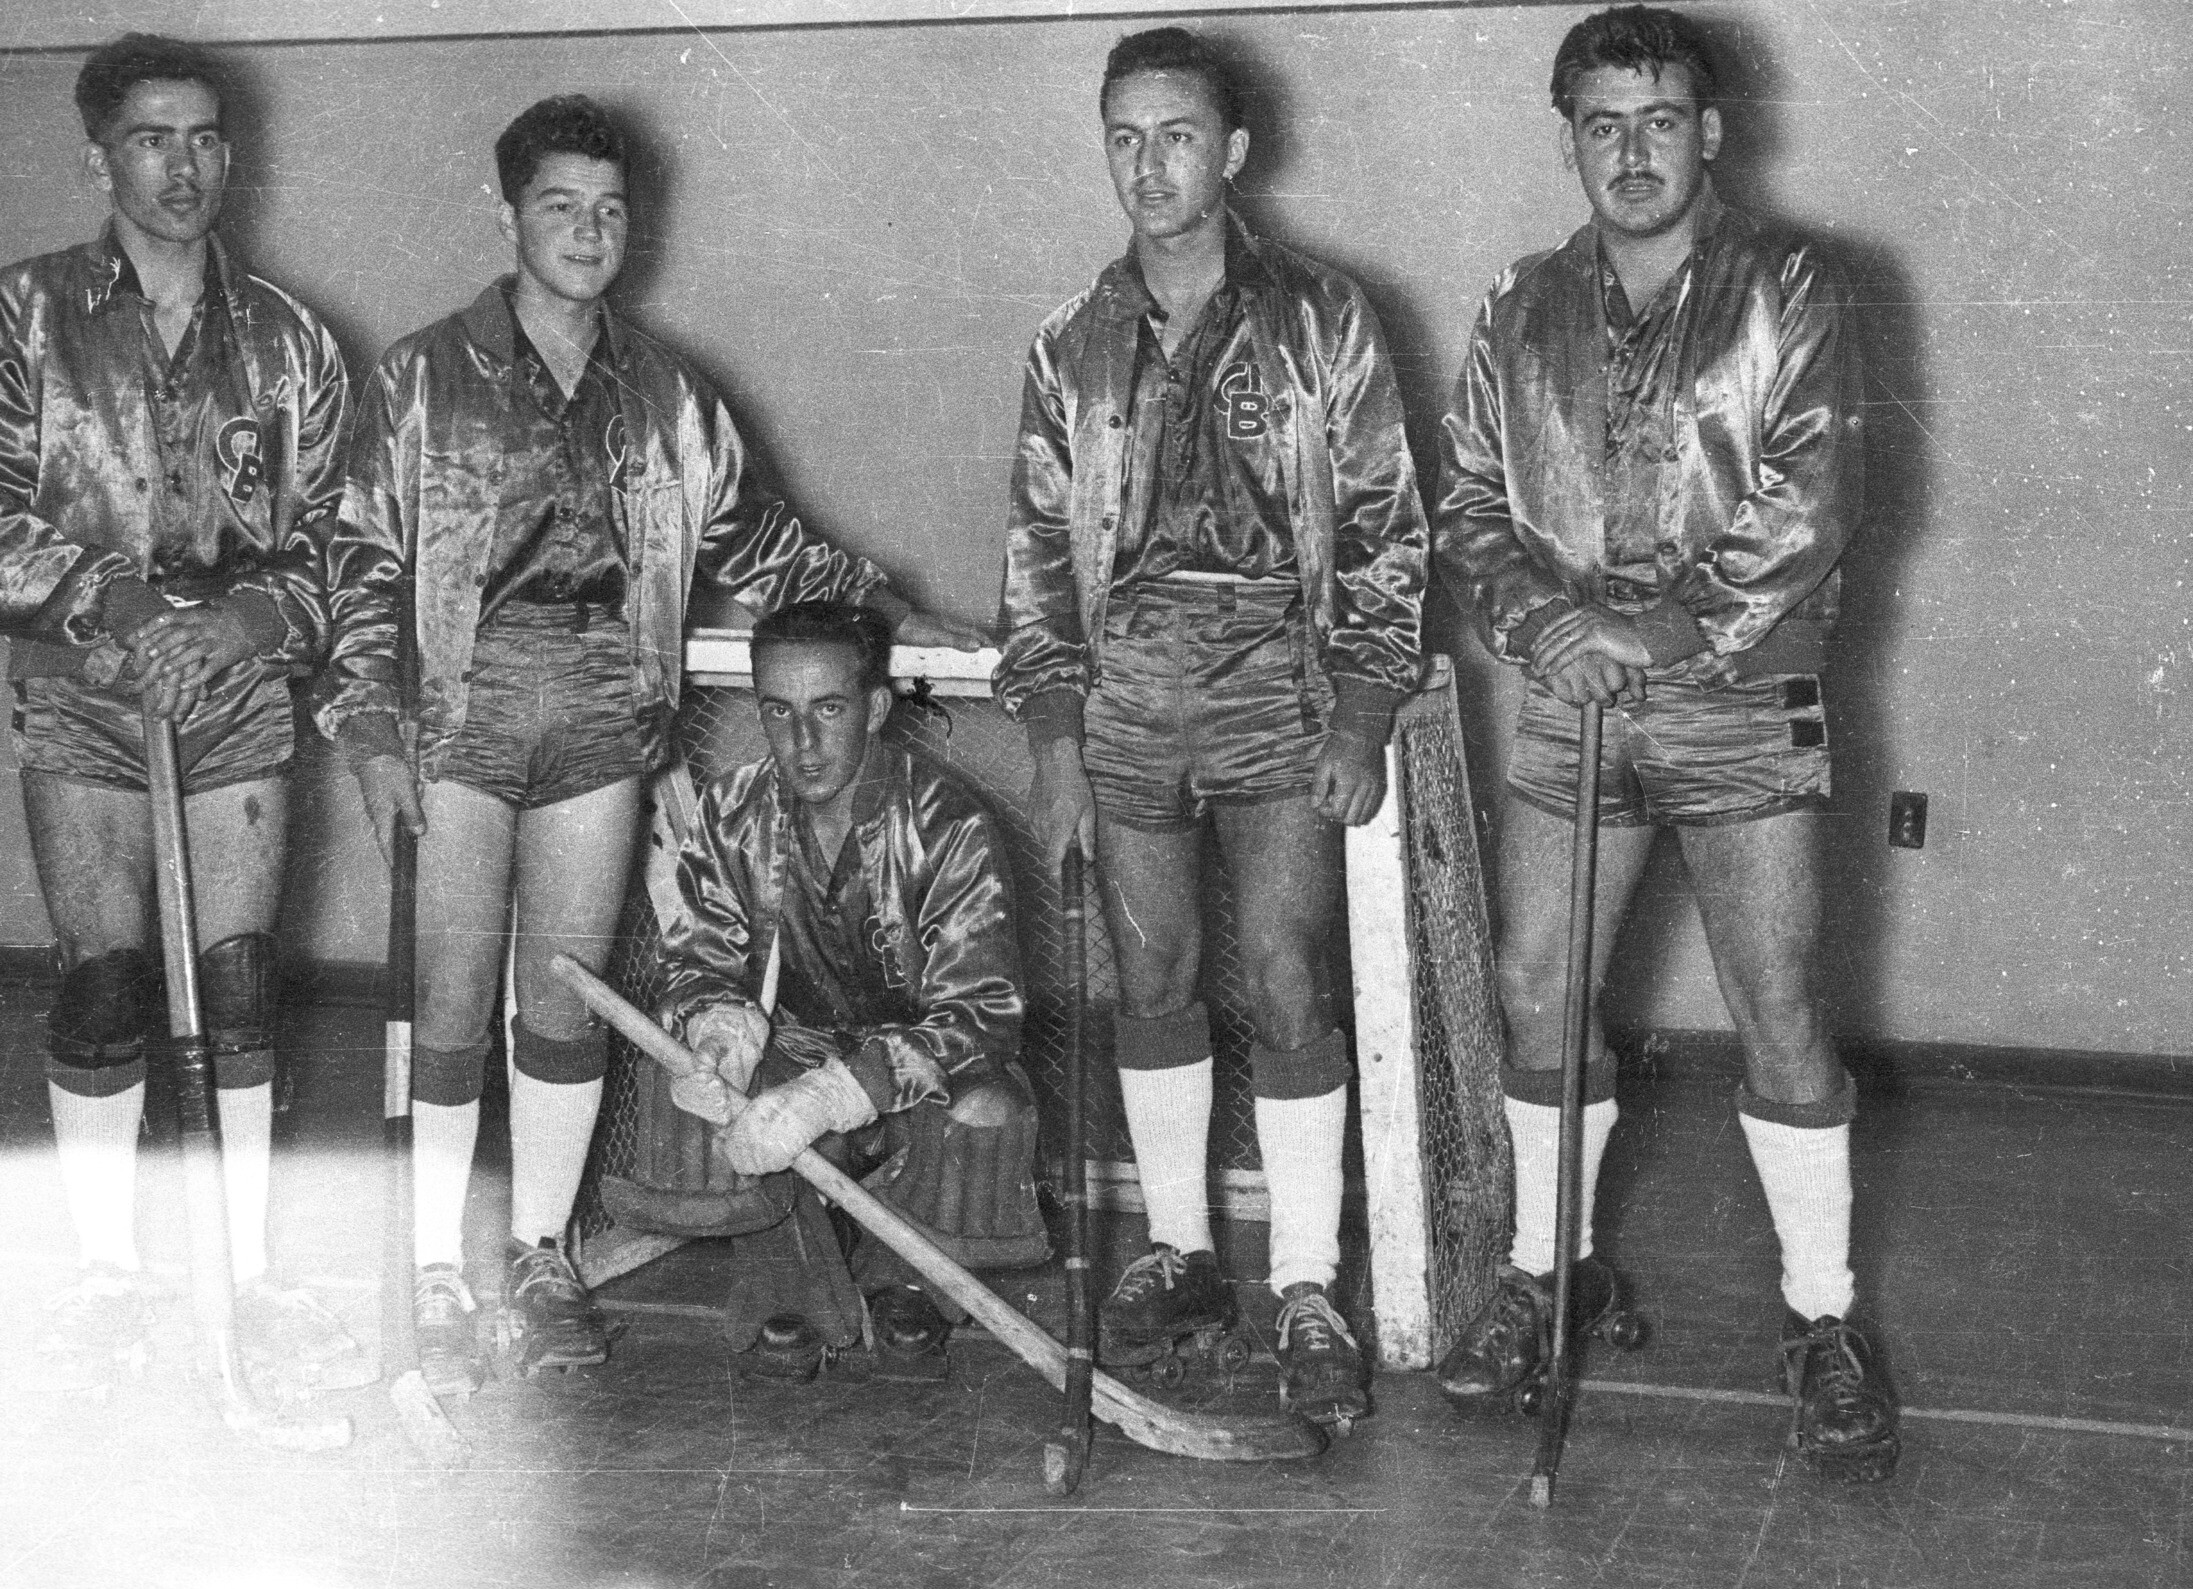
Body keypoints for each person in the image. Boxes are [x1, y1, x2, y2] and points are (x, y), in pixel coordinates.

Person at [316, 96, 978, 1392]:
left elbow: (765, 541)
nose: (588, 232)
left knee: (561, 1002)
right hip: (453, 725)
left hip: (600, 727)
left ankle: (533, 1254)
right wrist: (371, 724)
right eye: (560, 207)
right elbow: (354, 564)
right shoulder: (420, 379)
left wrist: (892, 609)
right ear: (506, 216)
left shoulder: (667, 394)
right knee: (450, 1009)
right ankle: (437, 1270)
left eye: (610, 211)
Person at [1431, 5, 1898, 1482]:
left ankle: (1823, 1320)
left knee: (1776, 1006)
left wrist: (1669, 630)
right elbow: (1467, 504)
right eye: (1602, 125)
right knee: (1533, 984)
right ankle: (1547, 1273)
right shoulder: (1517, 302)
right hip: (1573, 690)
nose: (1631, 152)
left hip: (1739, 689)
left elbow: (1816, 497)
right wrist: (1550, 629)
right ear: (1569, 136)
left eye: (1659, 121)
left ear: (1710, 131)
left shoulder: (1797, 283)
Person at [996, 26, 1427, 1430]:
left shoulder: (1324, 315)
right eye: (1123, 136)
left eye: (1176, 135)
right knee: (1153, 971)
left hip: (1272, 669)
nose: (1148, 165)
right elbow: (1037, 553)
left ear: (1233, 151)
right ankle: (1180, 1251)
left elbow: (1382, 527)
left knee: (1289, 970)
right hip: (1126, 680)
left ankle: (1304, 1284)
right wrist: (1057, 736)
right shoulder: (1071, 340)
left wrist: (1363, 704)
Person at [3, 34, 362, 1395]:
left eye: (207, 137)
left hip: (234, 700)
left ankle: (242, 1264)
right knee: (100, 982)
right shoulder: (23, 318)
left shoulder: (290, 340)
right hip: (84, 699)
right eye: (154, 137)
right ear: (99, 152)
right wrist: (121, 608)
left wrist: (240, 625)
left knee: (239, 979)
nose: (185, 166)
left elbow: (342, 543)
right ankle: (105, 1271)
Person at [650, 601, 1043, 1381]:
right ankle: (787, 1277)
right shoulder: (732, 809)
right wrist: (717, 1033)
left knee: (990, 1113)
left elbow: (980, 1012)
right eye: (778, 710)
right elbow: (698, 960)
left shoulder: (947, 821)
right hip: (799, 1053)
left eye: (828, 708)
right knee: (682, 1081)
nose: (804, 741)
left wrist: (837, 1095)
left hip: (923, 1077)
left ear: (874, 707)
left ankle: (906, 1281)